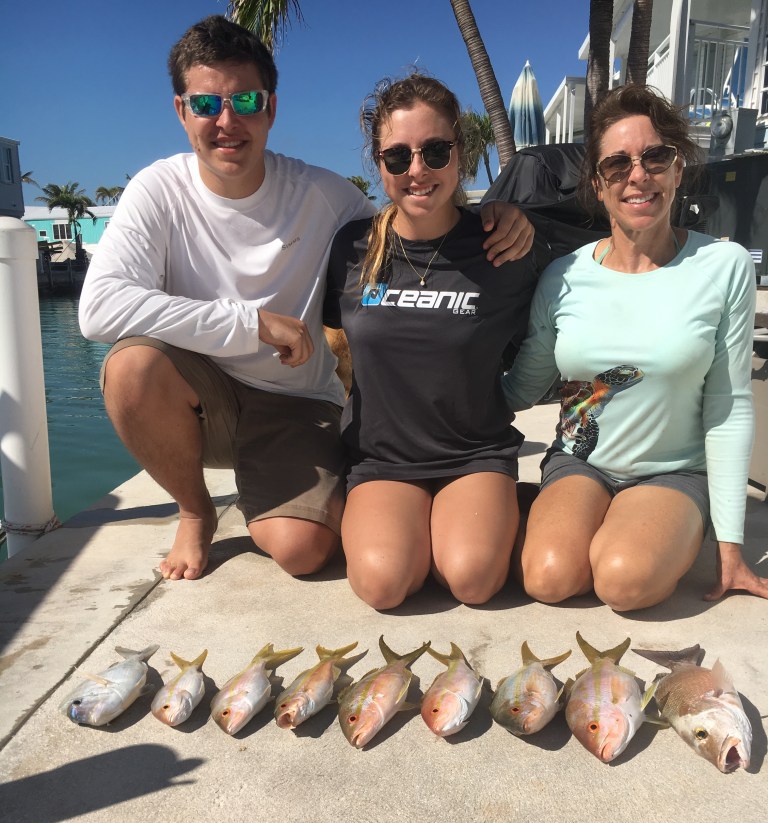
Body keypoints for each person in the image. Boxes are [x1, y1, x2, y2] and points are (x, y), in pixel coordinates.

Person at [78, 16, 532, 583]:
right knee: (130, 368)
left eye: (246, 100)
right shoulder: (157, 189)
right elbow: (99, 307)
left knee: (304, 551)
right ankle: (195, 512)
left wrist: (495, 213)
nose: (227, 121)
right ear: (181, 111)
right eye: (206, 104)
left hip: (293, 400)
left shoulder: (327, 197)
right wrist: (251, 324)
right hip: (200, 398)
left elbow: (414, 216)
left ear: (270, 108)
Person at [502, 83, 768, 611]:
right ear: (598, 185)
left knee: (624, 582)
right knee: (549, 578)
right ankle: (566, 515)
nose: (638, 175)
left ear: (677, 169)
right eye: (617, 164)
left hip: (674, 470)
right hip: (580, 462)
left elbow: (729, 404)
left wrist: (730, 546)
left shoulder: (724, 264)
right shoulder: (562, 275)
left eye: (655, 157)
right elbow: (525, 383)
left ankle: (667, 524)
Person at [323, 74, 542, 610]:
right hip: (383, 458)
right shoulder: (352, 248)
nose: (417, 170)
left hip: (473, 453)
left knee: (472, 580)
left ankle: (505, 506)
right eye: (397, 157)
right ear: (379, 165)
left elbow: (559, 321)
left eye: (435, 151)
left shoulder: (503, 244)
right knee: (383, 585)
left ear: (459, 154)